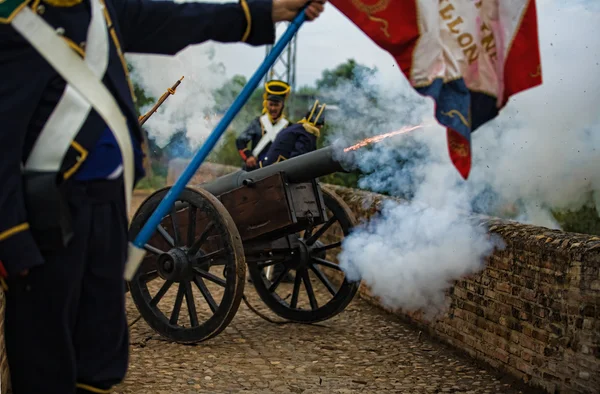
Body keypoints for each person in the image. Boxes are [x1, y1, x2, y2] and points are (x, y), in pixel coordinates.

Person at [0, 0, 326, 393]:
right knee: (45, 357)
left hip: (107, 209)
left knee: (101, 352)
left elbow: (180, 20)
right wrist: (11, 240)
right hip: (47, 215)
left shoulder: (104, 12)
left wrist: (269, 10)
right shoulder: (13, 24)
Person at [257, 100, 326, 283]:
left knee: (282, 225)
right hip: (277, 180)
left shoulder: (297, 128)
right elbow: (299, 162)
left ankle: (273, 269)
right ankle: (275, 269)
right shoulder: (307, 133)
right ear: (318, 124)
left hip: (270, 176)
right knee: (286, 224)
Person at [236, 79, 291, 170]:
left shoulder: (288, 126)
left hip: (277, 170)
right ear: (266, 104)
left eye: (276, 105)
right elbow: (240, 141)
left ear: (282, 105)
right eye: (271, 104)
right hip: (256, 170)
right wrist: (248, 157)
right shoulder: (258, 122)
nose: (273, 108)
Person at [260, 99, 326, 167]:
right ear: (319, 125)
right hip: (274, 169)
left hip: (269, 165)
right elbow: (299, 159)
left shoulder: (299, 128)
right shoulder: (307, 133)